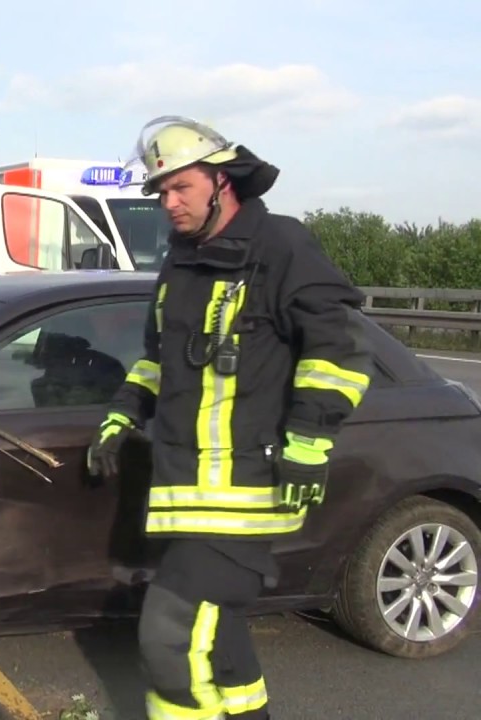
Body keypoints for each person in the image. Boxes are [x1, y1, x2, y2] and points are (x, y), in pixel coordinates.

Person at [86, 116, 373, 720]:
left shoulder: (283, 247)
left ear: (223, 182)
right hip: (188, 490)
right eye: (161, 192)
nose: (168, 203)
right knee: (219, 640)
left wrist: (310, 442)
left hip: (250, 489)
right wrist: (120, 417)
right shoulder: (180, 265)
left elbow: (340, 351)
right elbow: (157, 364)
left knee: (167, 635)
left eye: (179, 188)